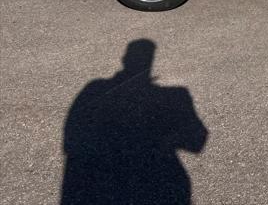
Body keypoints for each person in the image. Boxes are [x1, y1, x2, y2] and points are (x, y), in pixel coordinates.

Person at [61, 39, 208, 204]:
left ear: (124, 59)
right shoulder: (177, 95)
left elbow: (73, 139)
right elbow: (197, 141)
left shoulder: (94, 88)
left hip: (100, 184)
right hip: (159, 182)